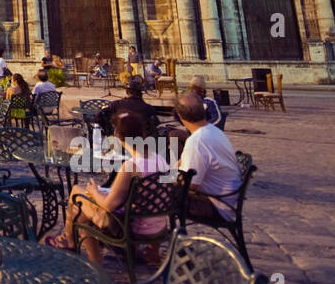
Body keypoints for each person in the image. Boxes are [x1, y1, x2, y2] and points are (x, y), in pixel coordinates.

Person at [49, 111, 169, 264]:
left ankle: (89, 258)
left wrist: (94, 191)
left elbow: (108, 205)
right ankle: (70, 241)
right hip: (158, 225)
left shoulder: (131, 166)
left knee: (78, 197)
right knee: (82, 205)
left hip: (132, 228)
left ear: (117, 135)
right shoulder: (159, 158)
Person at [175, 93, 243, 223]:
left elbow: (190, 184)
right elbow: (185, 163)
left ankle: (149, 233)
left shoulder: (197, 141)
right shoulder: (213, 131)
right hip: (228, 200)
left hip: (217, 206)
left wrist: (163, 180)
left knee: (155, 195)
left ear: (180, 116)